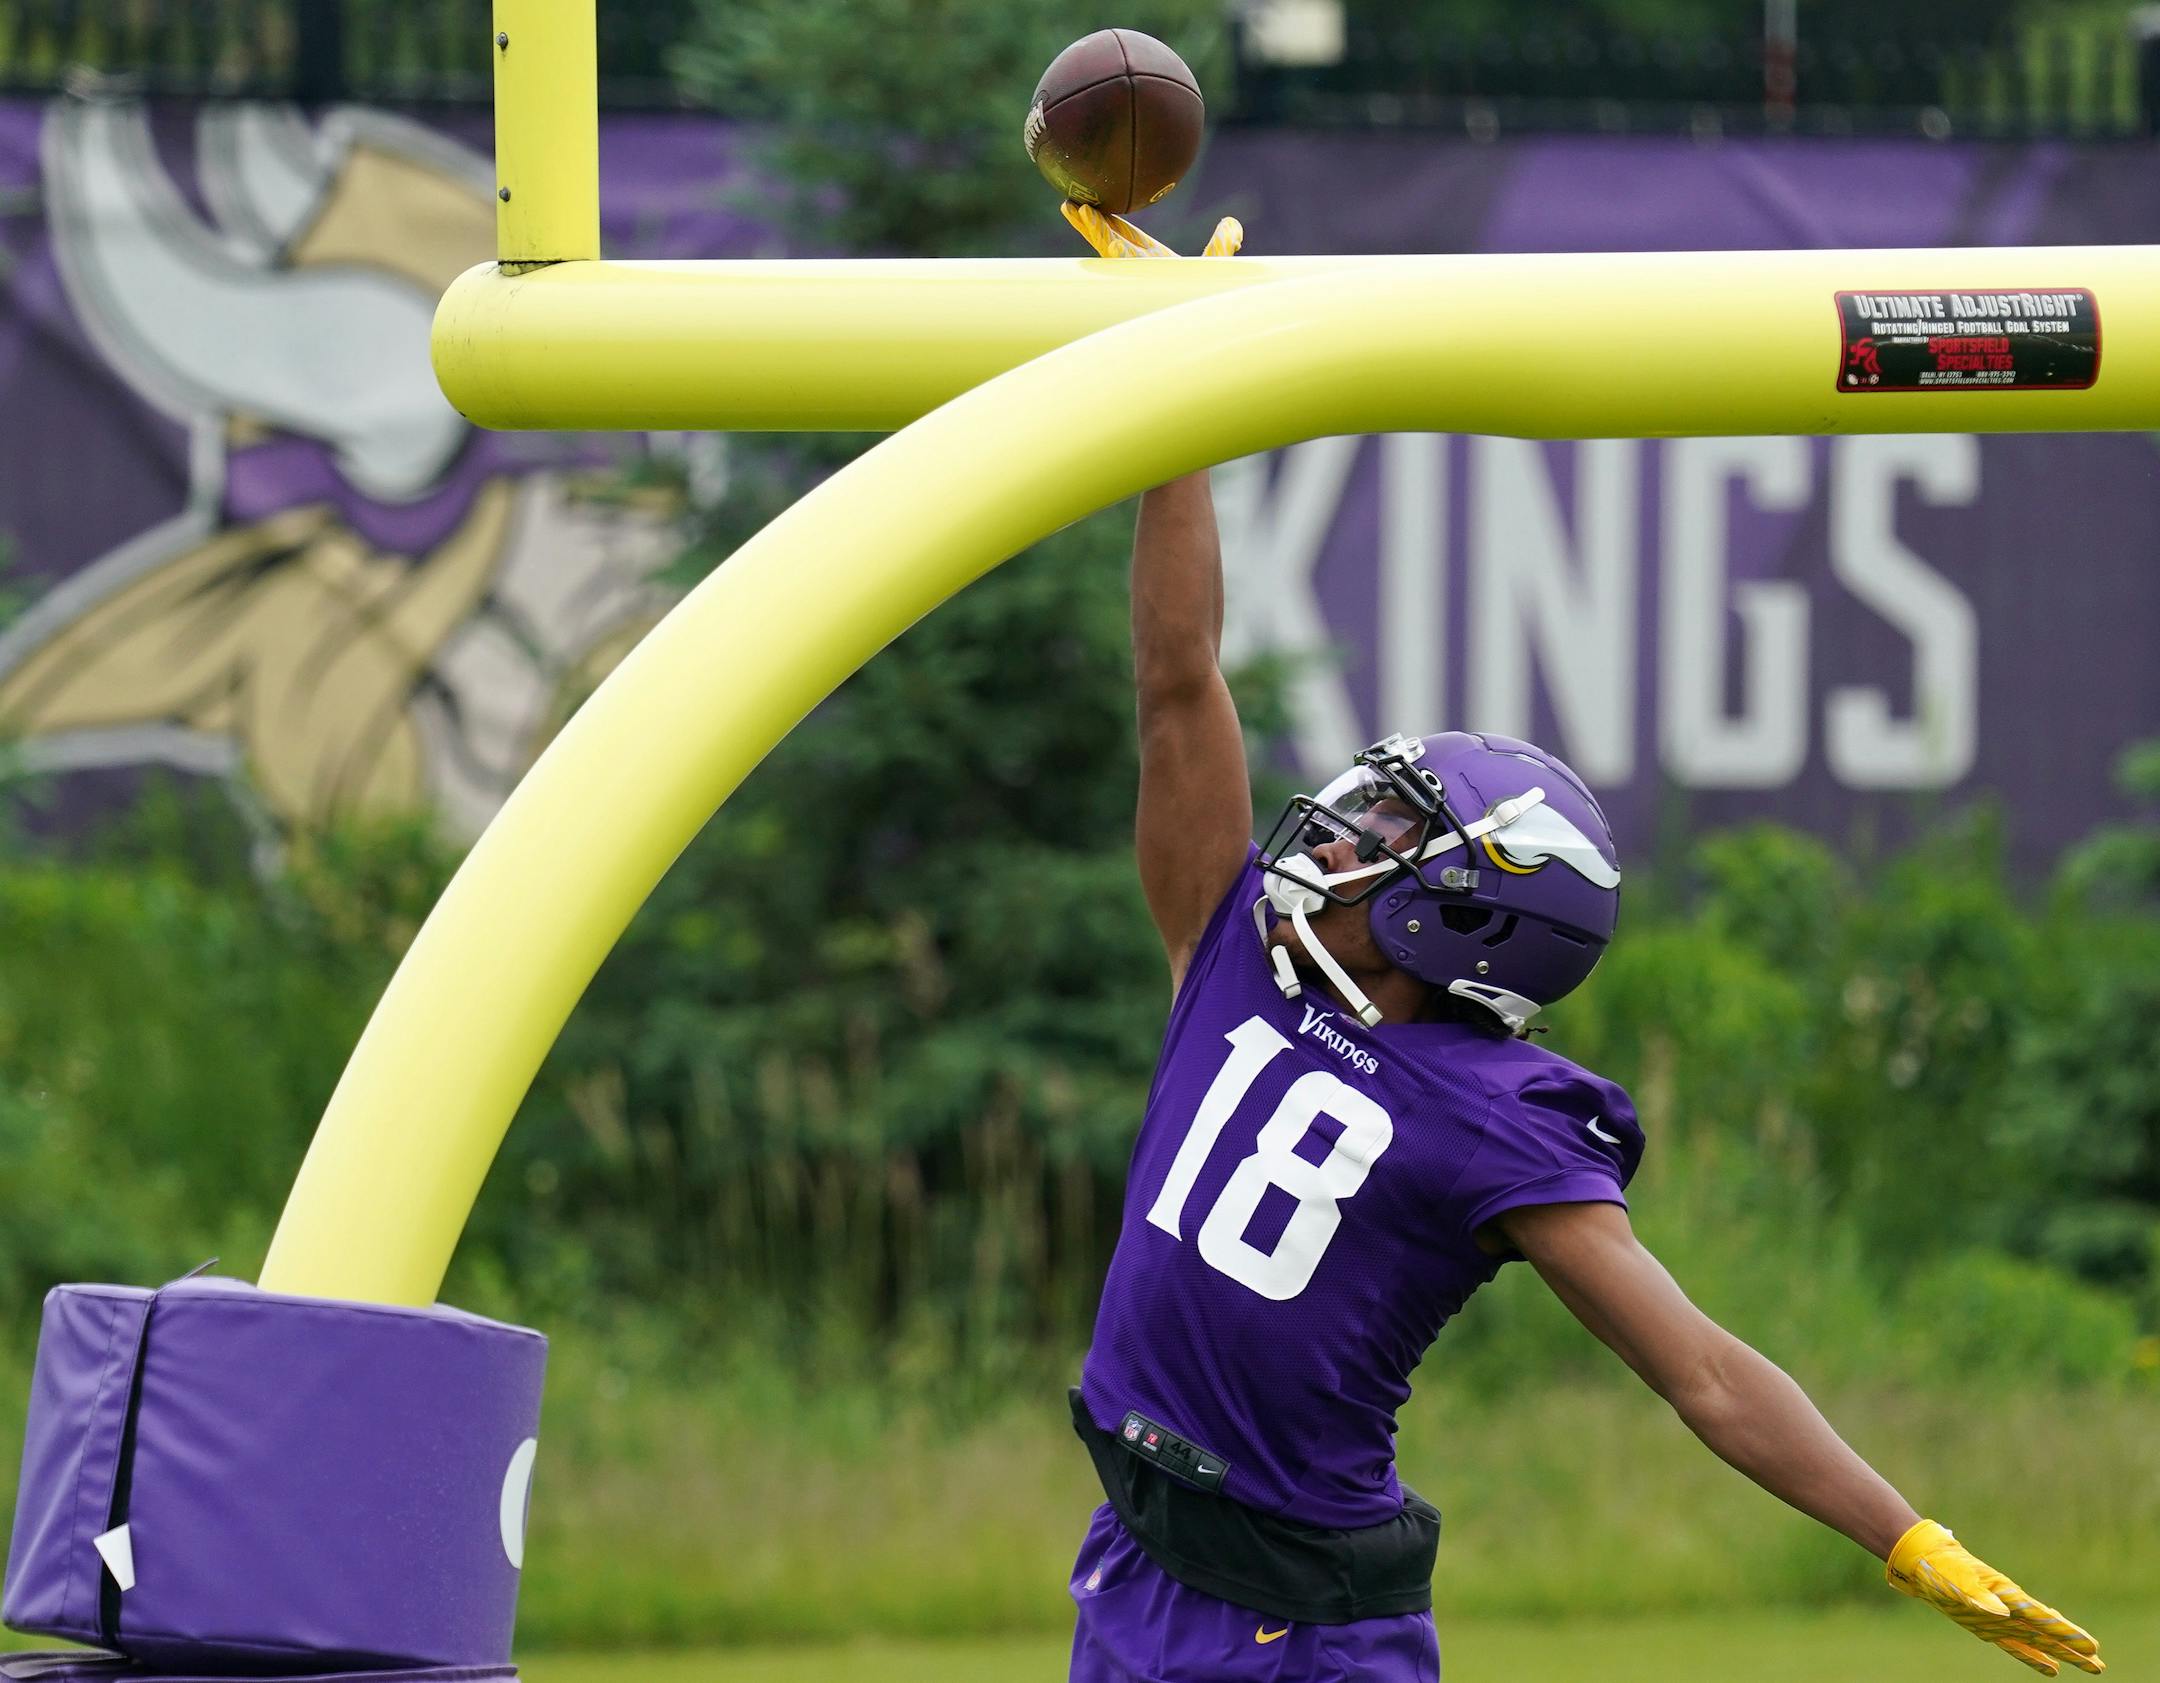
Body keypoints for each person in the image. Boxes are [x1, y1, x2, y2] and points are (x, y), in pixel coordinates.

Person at [1060, 191, 2104, 1683]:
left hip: (1304, 1628)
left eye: (1382, 836)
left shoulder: (1500, 1124)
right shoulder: (1237, 955)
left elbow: (1704, 1370)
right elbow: (1179, 676)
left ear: (1457, 907)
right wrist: (1177, 396)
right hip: (1138, 1560)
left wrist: (1906, 1538)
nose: (1335, 836)